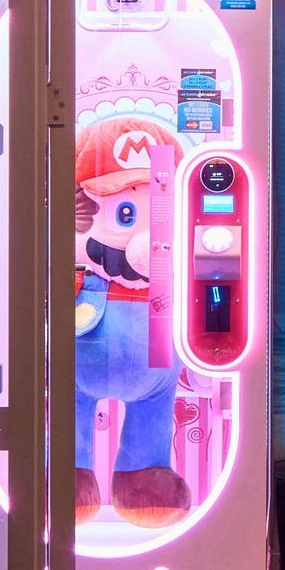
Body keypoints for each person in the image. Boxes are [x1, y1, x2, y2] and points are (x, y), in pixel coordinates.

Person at [70, 112, 188, 523]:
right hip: (77, 369)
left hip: (157, 369)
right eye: (125, 214)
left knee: (154, 416)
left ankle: (145, 477)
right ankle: (69, 475)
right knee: (70, 408)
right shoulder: (78, 272)